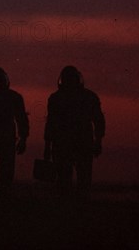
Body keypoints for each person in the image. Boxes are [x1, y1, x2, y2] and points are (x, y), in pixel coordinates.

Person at [44, 66, 105, 196]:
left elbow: (50, 124)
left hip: (64, 143)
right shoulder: (89, 97)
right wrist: (98, 141)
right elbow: (98, 120)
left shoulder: (55, 98)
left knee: (65, 180)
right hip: (80, 142)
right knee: (82, 179)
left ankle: (68, 209)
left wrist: (47, 146)